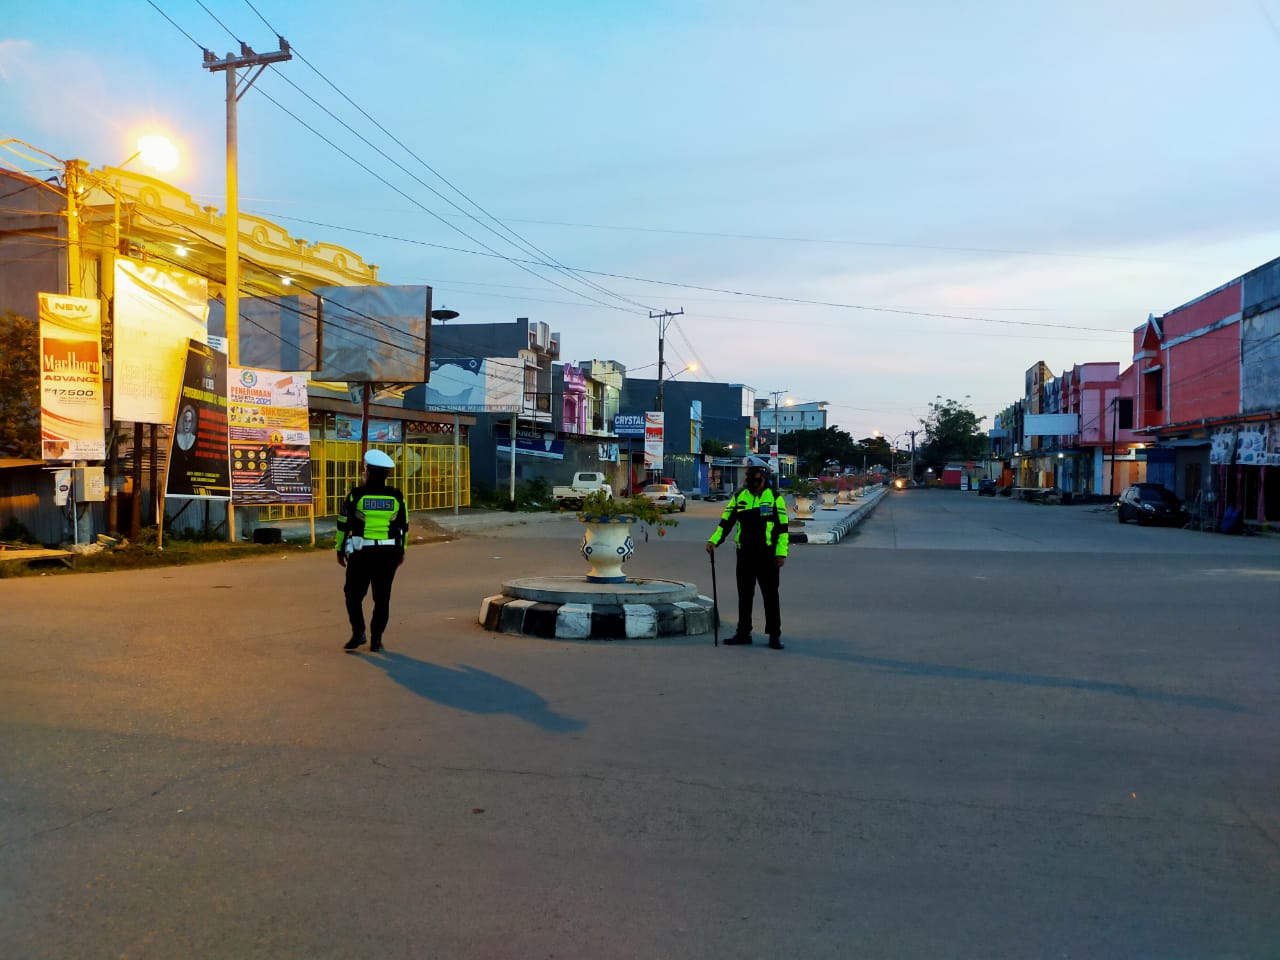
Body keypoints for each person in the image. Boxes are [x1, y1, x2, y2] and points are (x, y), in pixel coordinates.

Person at [706, 457, 789, 649]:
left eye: (754, 475)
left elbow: (782, 529)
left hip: (768, 555)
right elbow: (726, 523)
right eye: (748, 475)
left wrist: (781, 553)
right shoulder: (739, 497)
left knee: (770, 596)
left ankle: (774, 635)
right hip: (744, 555)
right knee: (744, 596)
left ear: (764, 476)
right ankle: (743, 633)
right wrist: (714, 541)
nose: (750, 479)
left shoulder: (775, 498)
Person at [336, 449, 409, 653]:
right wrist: (402, 550)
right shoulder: (397, 496)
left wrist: (339, 549)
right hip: (389, 555)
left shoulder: (356, 495)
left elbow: (343, 524)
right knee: (382, 598)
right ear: (386, 474)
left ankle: (359, 632)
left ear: (367, 471)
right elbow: (405, 527)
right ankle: (376, 639)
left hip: (362, 554)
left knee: (352, 594)